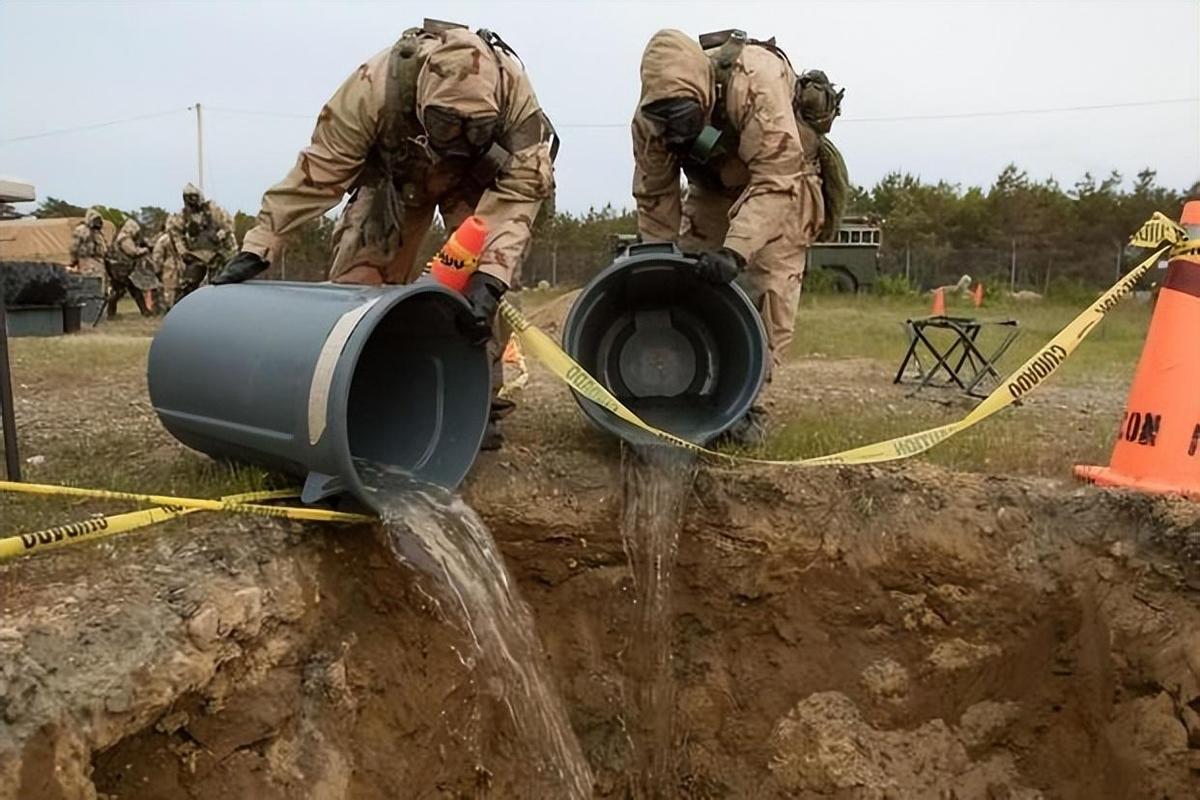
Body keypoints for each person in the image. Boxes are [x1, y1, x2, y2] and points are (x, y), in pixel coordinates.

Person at [212, 19, 557, 450]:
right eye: (446, 125)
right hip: (397, 179)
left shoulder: (514, 94)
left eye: (472, 129)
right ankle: (356, 398)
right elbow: (319, 172)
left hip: (477, 184)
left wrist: (492, 272)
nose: (456, 139)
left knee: (481, 298)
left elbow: (523, 185)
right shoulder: (373, 89)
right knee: (357, 292)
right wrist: (261, 244)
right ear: (421, 100)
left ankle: (476, 404)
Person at [630, 29, 845, 445]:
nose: (673, 133)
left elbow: (776, 179)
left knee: (766, 291)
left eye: (683, 119)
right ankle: (693, 384)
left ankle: (746, 401)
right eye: (664, 120)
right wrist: (655, 264)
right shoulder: (649, 121)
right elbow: (655, 196)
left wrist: (735, 252)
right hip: (713, 189)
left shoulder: (754, 81)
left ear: (705, 94)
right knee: (688, 277)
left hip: (782, 182)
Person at [167, 183, 236, 303]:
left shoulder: (214, 210)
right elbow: (176, 234)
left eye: (193, 197)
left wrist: (221, 235)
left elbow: (229, 225)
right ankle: (180, 308)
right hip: (196, 255)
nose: (190, 200)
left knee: (219, 284)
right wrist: (183, 251)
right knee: (188, 284)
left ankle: (221, 307)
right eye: (187, 197)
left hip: (218, 253)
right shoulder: (182, 216)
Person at [102, 218, 153, 319]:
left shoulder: (124, 237)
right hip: (120, 269)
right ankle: (110, 313)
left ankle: (144, 311)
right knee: (120, 291)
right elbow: (133, 252)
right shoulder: (125, 239)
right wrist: (146, 250)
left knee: (131, 290)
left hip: (121, 269)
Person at [69, 208, 108, 279]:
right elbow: (74, 246)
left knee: (100, 280)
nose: (97, 222)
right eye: (95, 219)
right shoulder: (81, 230)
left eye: (98, 220)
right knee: (89, 280)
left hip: (99, 261)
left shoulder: (98, 233)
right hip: (85, 260)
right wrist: (73, 261)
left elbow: (103, 247)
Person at [150, 231, 181, 313]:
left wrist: (157, 269)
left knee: (169, 289)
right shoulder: (180, 237)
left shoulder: (163, 239)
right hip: (179, 265)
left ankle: (169, 308)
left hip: (169, 266)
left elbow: (157, 256)